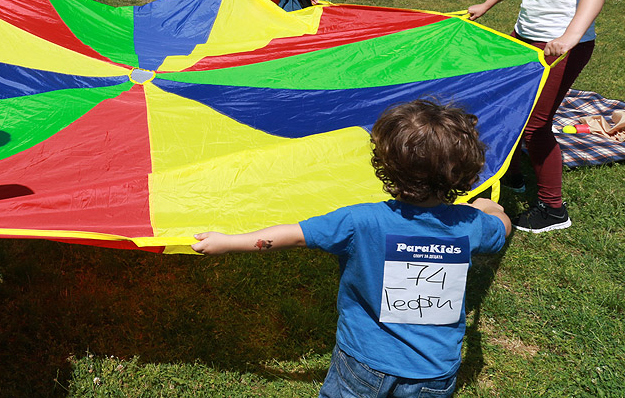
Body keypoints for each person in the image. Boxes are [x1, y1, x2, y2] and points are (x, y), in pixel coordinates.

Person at [193, 99, 511, 398]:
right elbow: (503, 229)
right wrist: (488, 208)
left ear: (387, 165)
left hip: (363, 363)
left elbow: (294, 234)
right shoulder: (470, 225)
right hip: (433, 370)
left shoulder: (360, 221)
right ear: (463, 170)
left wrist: (227, 242)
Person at [468, 0, 615, 232]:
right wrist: (487, 4)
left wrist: (568, 37)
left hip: (560, 44)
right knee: (511, 111)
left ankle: (553, 210)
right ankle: (512, 176)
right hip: (525, 36)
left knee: (535, 125)